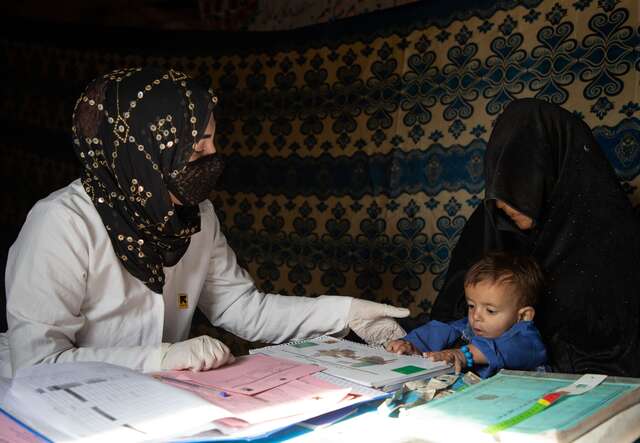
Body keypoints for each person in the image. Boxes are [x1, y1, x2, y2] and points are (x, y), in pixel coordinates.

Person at [0, 67, 409, 377]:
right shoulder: (62, 225)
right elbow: (39, 363)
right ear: (142, 152)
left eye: (212, 140)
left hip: (149, 402)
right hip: (51, 409)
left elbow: (242, 307)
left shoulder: (196, 218)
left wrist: (346, 313)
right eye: (196, 146)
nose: (213, 155)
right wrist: (160, 357)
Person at [430, 98, 640, 377]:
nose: (502, 201)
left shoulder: (608, 229)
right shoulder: (492, 217)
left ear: (551, 168)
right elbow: (452, 317)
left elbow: (615, 347)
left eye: (520, 178)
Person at [387, 252, 547, 378]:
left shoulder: (528, 340)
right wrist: (409, 345)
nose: (476, 316)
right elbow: (438, 331)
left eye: (490, 311)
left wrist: (463, 354)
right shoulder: (468, 327)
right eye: (471, 306)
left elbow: (507, 349)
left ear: (524, 316)